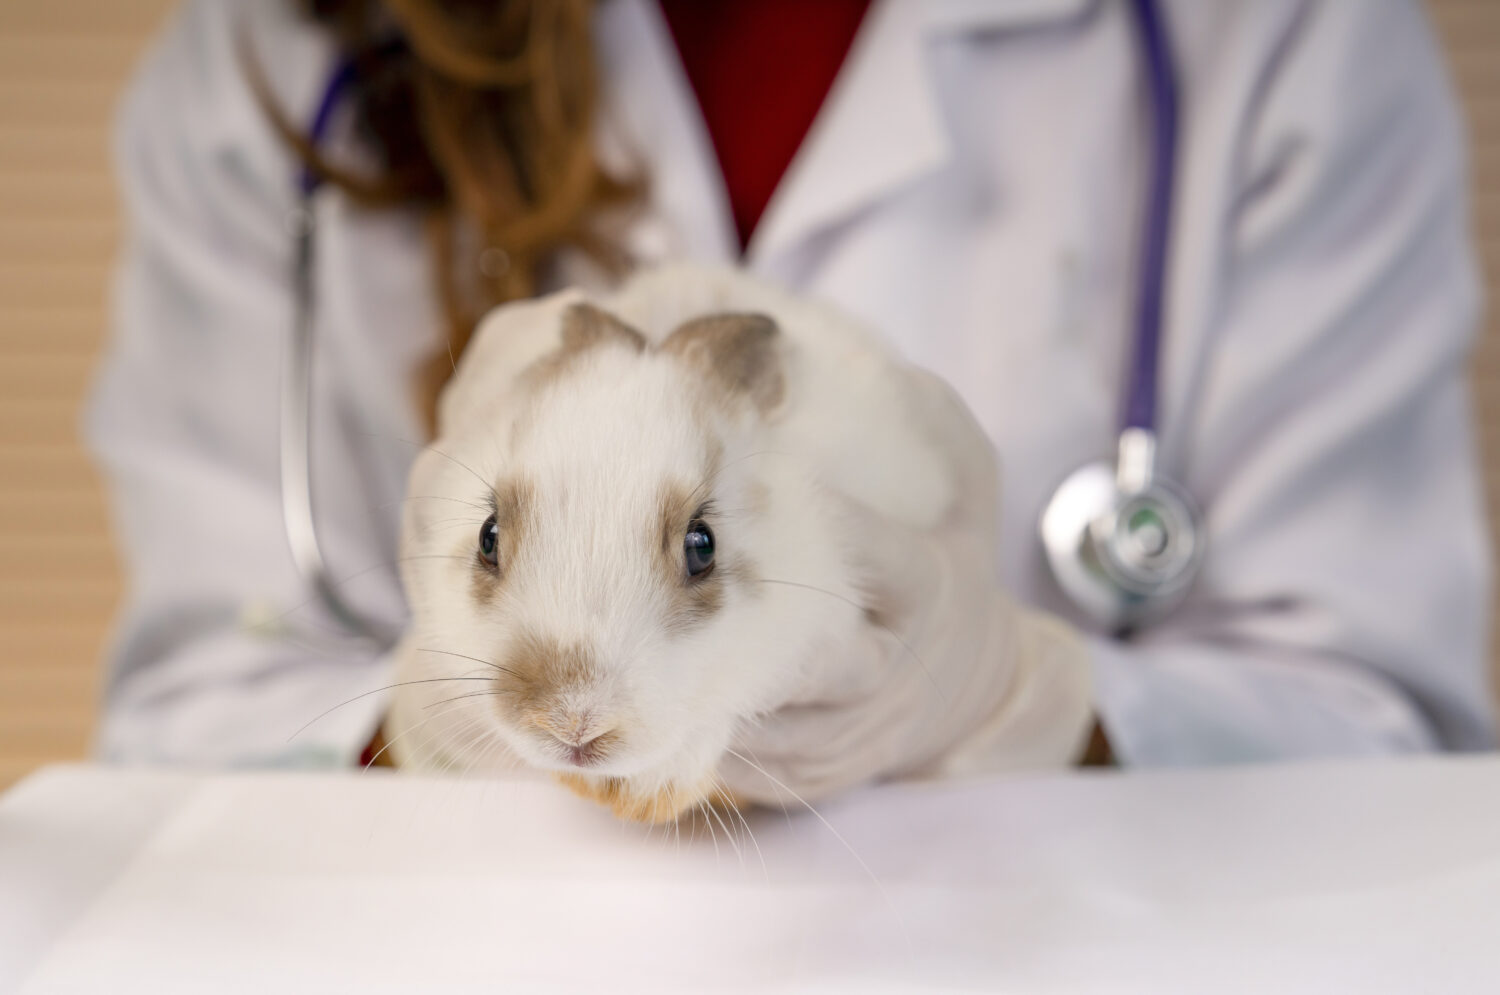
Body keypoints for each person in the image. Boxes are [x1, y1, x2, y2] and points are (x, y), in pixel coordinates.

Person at [87, 0, 1497, 786]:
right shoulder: (276, 64)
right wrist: (421, 727)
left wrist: (1025, 704)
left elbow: (1393, 738)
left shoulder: (1274, 39)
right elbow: (189, 721)